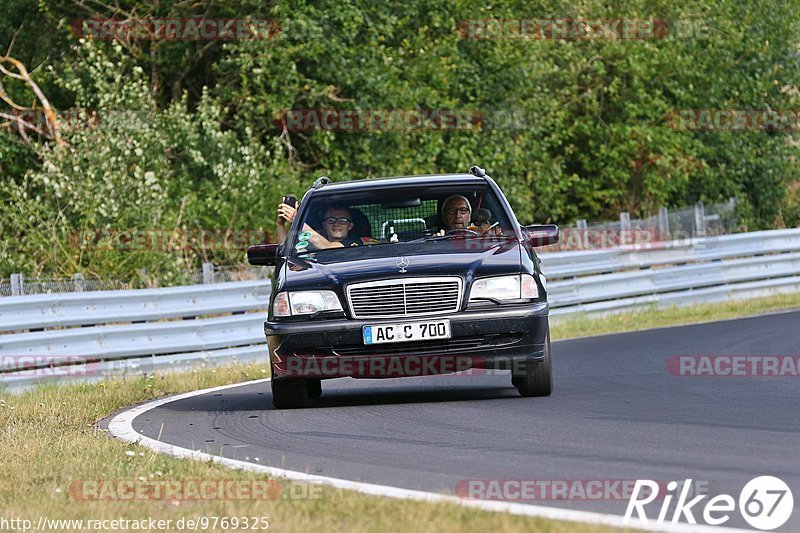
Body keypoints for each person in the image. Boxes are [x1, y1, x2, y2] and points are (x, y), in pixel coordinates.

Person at [276, 199, 361, 249]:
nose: (336, 224)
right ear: (324, 225)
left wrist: (297, 220)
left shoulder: (355, 243)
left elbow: (329, 247)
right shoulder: (312, 241)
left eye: (342, 220)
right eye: (331, 220)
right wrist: (280, 224)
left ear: (350, 226)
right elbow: (285, 252)